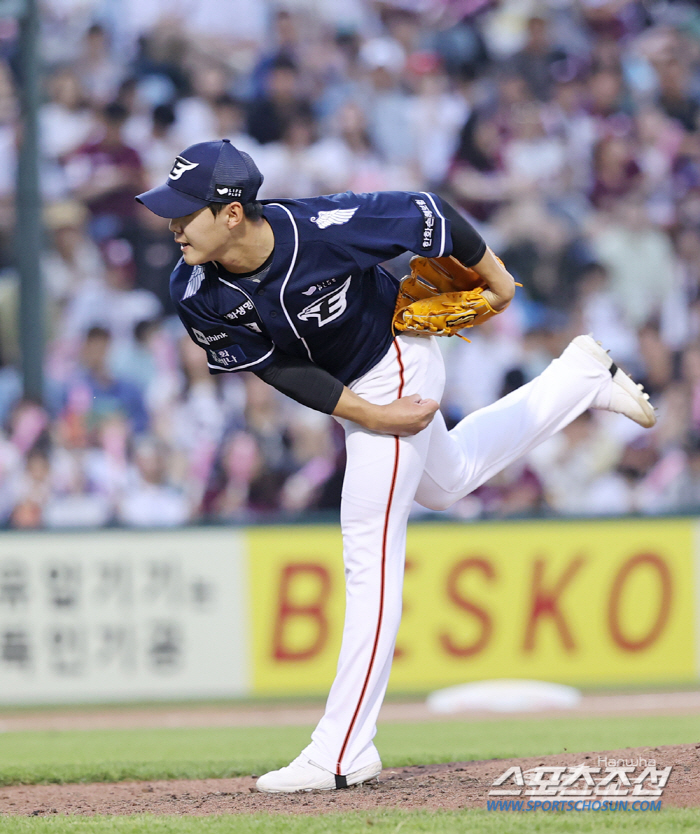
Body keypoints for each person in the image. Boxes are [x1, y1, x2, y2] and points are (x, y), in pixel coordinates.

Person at [136, 139, 655, 793]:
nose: (174, 224)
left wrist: (494, 278)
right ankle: (579, 377)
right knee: (448, 479)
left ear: (233, 212)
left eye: (187, 212)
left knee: (367, 552)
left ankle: (343, 748)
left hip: (399, 349)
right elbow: (279, 367)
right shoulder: (195, 291)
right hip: (361, 391)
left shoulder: (320, 230)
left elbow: (428, 213)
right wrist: (366, 415)